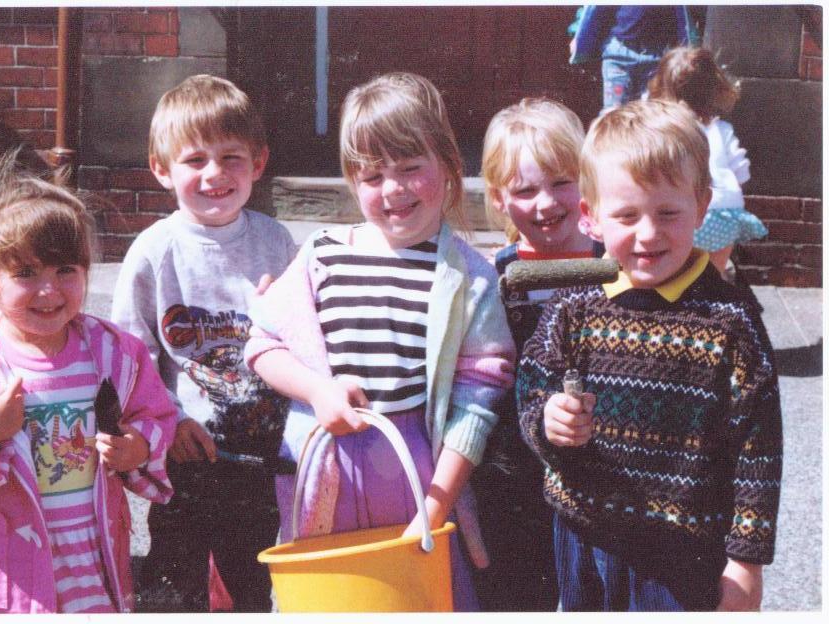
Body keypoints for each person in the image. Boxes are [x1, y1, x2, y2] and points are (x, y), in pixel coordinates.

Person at [244, 72, 516, 611]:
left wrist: (435, 509)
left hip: (415, 473)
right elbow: (263, 344)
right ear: (352, 180)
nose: (393, 189)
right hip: (323, 468)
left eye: (411, 169)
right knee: (325, 595)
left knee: (416, 596)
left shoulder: (471, 277)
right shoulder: (321, 255)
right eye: (372, 175)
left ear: (447, 164)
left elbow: (476, 407)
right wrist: (318, 391)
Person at [517, 99, 782, 611]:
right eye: (626, 215)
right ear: (591, 217)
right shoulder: (572, 307)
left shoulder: (730, 322)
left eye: (668, 213)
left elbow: (758, 446)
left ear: (702, 207)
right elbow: (531, 388)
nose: (647, 233)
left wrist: (746, 560)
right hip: (584, 534)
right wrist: (548, 422)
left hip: (683, 550)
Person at [0, 154, 177, 613]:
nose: (49, 291)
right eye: (26, 273)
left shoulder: (113, 353)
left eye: (65, 271)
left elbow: (157, 415)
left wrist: (139, 448)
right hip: (5, 575)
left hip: (90, 560)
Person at [110, 74, 297, 612]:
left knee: (252, 583)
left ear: (257, 164)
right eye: (195, 160)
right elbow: (132, 351)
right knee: (176, 583)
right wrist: (165, 419)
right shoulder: (154, 251)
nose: (215, 174)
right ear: (162, 169)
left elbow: (301, 334)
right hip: (188, 452)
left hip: (261, 452)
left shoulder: (275, 240)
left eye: (231, 158)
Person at [471, 97, 603, 611]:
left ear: (585, 181)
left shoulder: (614, 267)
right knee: (515, 592)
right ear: (500, 200)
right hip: (514, 473)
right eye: (525, 190)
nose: (546, 203)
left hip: (598, 464)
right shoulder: (494, 276)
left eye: (561, 182)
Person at [647, 45, 767, 280]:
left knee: (679, 272)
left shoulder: (661, 131)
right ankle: (715, 295)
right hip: (725, 213)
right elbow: (741, 172)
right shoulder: (721, 129)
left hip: (684, 215)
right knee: (715, 274)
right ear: (713, 89)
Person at [569, 5, 699, 112]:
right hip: (619, 56)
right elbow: (592, 9)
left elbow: (684, 15)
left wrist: (690, 47)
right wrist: (578, 34)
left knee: (651, 117)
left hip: (656, 59)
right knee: (613, 114)